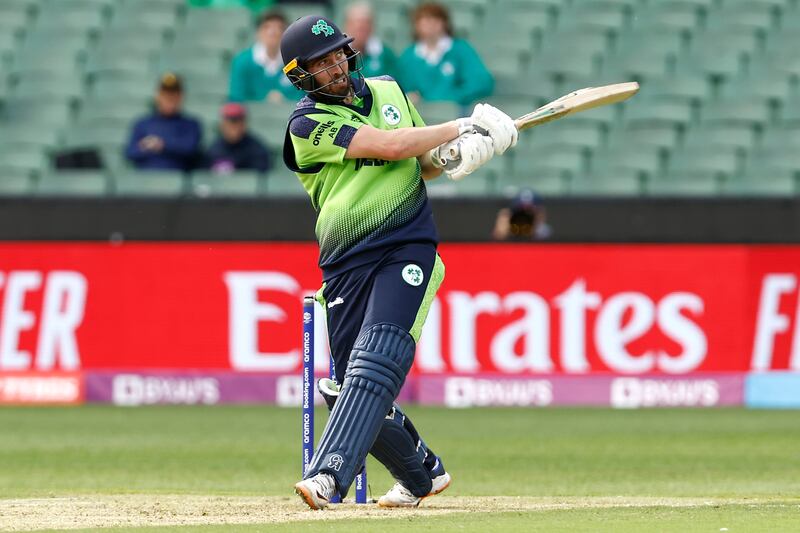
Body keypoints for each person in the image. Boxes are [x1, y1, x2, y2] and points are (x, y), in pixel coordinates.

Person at [280, 15, 517, 510]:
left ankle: (328, 475)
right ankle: (421, 473)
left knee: (377, 357)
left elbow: (419, 162)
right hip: (345, 260)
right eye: (321, 63)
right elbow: (387, 147)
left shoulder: (389, 91)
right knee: (345, 388)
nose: (336, 67)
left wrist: (459, 154)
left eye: (338, 54)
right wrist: (461, 125)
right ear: (303, 75)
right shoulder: (306, 124)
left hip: (406, 246)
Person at [398, 2, 493, 107]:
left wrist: (453, 97)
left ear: (444, 23)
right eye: (424, 20)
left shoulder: (461, 49)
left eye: (435, 20)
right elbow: (401, 88)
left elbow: (481, 82)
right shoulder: (409, 56)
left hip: (455, 115)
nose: (430, 25)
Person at [125, 73, 203, 171]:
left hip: (178, 179)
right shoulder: (143, 123)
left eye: (174, 94)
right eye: (165, 94)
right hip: (145, 180)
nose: (169, 99)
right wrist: (146, 146)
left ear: (181, 97)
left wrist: (162, 145)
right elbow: (130, 153)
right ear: (157, 96)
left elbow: (190, 150)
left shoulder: (191, 124)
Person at [229, 10, 301, 103]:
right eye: (267, 27)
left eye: (280, 28)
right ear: (258, 33)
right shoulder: (242, 61)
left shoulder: (296, 62)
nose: (273, 32)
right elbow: (236, 98)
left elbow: (303, 96)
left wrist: (284, 100)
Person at [205, 102, 272, 173]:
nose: (233, 127)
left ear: (244, 124)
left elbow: (261, 176)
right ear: (222, 124)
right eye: (230, 121)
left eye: (237, 121)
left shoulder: (257, 150)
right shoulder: (214, 148)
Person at [344, 2, 397, 79]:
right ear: (347, 25)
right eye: (356, 23)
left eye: (365, 23)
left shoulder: (386, 54)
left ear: (372, 26)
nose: (361, 27)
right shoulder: (338, 55)